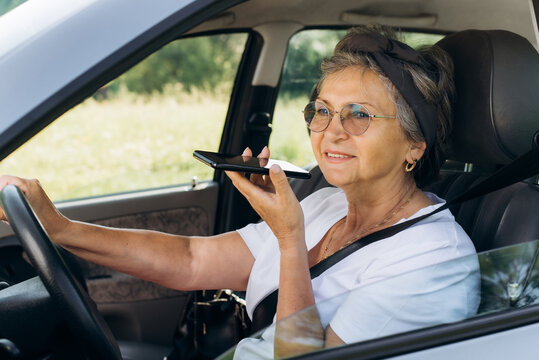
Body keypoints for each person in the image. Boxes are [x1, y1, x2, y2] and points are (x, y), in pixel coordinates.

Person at [0, 25, 478, 358]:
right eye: (322, 110)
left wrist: (290, 241)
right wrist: (58, 228)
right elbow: (191, 260)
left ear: (415, 145)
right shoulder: (327, 203)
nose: (331, 131)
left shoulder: (435, 259)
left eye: (359, 114)